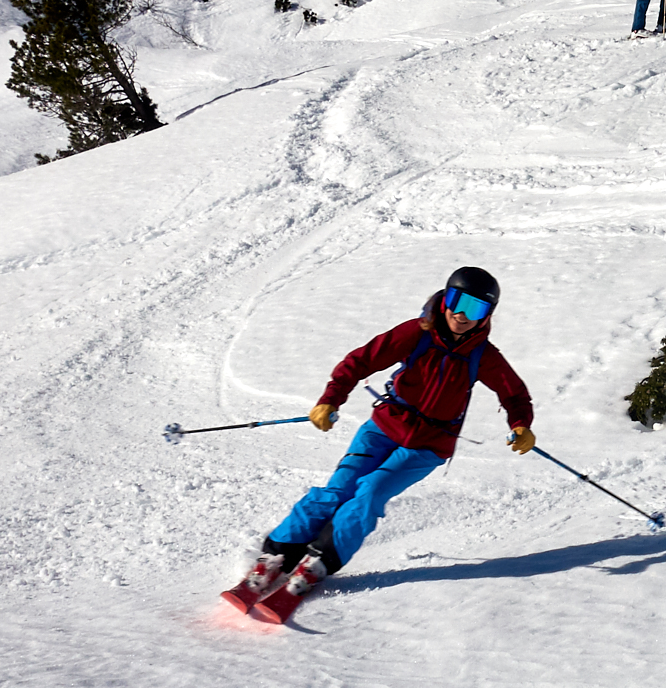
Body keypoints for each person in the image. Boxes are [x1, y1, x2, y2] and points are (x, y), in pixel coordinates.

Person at [225, 265, 536, 621]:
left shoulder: (484, 356)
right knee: (339, 489)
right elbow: (360, 361)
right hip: (384, 427)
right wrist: (331, 398)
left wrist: (521, 425)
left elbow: (516, 395)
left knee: (370, 492)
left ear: (487, 316)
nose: (462, 315)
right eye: (457, 301)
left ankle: (319, 563)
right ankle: (276, 556)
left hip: (428, 446)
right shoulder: (417, 333)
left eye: (476, 309)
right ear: (445, 298)